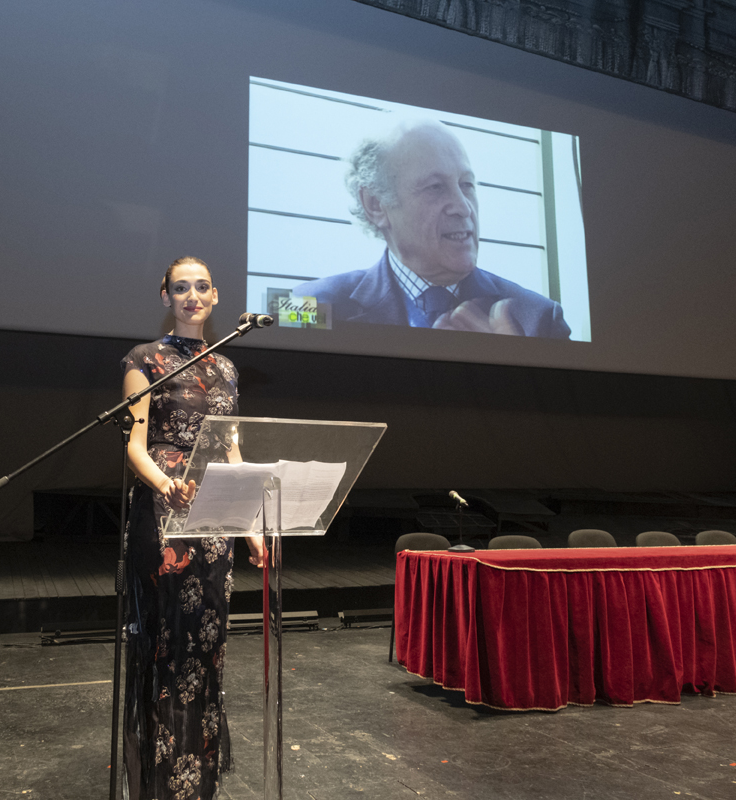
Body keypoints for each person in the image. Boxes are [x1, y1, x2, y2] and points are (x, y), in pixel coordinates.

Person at [120, 256, 266, 800]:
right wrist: (165, 485)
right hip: (164, 514)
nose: (192, 296)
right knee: (168, 643)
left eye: (201, 287)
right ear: (165, 298)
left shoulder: (226, 369)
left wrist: (249, 523)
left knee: (207, 644)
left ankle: (197, 778)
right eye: (180, 288)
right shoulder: (144, 360)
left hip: (214, 518)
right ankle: (159, 780)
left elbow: (231, 451)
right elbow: (134, 446)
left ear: (215, 297)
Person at [294, 120, 571, 338]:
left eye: (467, 185)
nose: (463, 208)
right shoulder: (305, 304)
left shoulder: (541, 318)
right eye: (436, 187)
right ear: (375, 204)